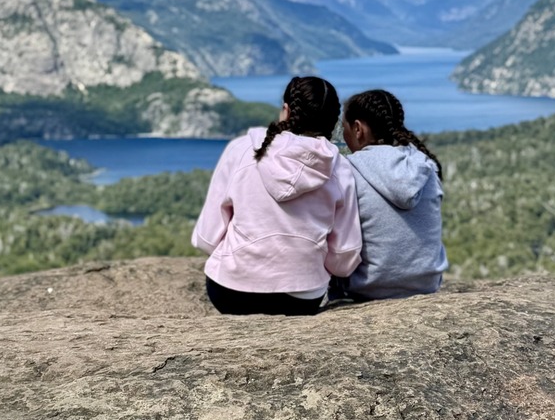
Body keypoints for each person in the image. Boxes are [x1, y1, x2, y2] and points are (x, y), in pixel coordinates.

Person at [192, 76, 362, 315]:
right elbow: (344, 259)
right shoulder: (339, 168)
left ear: (286, 110)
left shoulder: (241, 149)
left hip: (229, 292)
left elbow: (206, 239)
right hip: (301, 298)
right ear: (332, 120)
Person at [333, 89, 448, 301]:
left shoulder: (348, 170)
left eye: (344, 128)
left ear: (358, 129)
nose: (344, 135)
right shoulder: (425, 165)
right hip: (426, 285)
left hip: (368, 288)